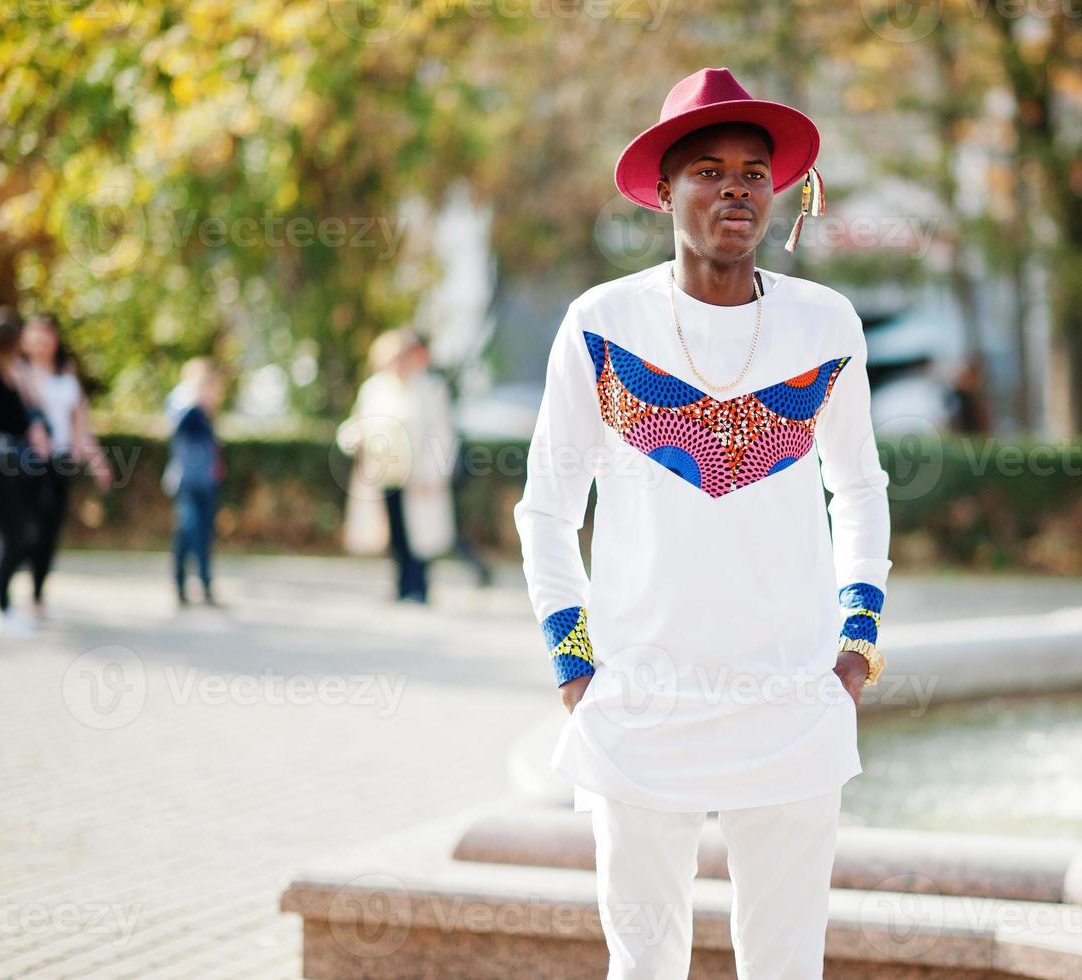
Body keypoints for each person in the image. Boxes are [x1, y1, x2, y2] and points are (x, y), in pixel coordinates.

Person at [513, 68, 892, 979]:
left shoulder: (825, 324)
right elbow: (545, 510)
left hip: (793, 702)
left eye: (754, 172)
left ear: (780, 190)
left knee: (786, 966)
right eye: (709, 171)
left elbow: (862, 488)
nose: (736, 189)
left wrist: (855, 649)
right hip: (641, 705)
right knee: (642, 967)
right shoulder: (600, 324)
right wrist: (577, 670)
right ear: (663, 191)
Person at [337, 328, 456, 604]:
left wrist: (434, 472)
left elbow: (442, 434)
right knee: (395, 531)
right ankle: (401, 584)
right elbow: (359, 423)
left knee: (421, 533)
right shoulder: (374, 389)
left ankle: (419, 587)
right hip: (385, 474)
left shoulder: (430, 388)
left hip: (417, 475)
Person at [19, 313, 113, 618]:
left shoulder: (67, 372)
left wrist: (97, 461)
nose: (42, 342)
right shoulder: (19, 372)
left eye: (48, 335)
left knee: (50, 529)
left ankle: (36, 593)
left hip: (62, 460)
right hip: (29, 461)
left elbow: (80, 425)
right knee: (26, 528)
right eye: (36, 335)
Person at [0, 306, 53, 634]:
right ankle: (1, 610)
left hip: (10, 467)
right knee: (14, 535)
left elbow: (24, 419)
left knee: (15, 535)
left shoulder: (10, 375)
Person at [162, 357, 225, 606]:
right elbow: (177, 428)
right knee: (189, 531)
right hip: (187, 480)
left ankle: (201, 583)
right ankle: (188, 583)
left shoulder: (206, 413)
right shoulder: (183, 406)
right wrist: (194, 400)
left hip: (207, 479)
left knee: (201, 533)